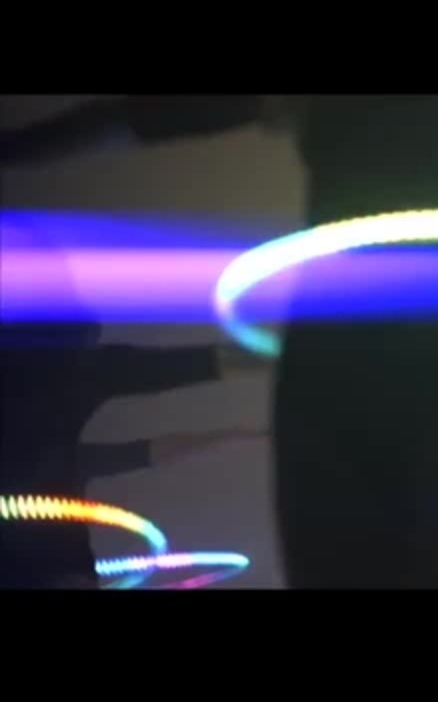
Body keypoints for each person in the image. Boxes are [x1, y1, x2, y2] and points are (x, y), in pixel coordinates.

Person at [2, 95, 438, 589]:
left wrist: (17, 147)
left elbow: (137, 118)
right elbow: (147, 115)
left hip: (419, 376)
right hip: (372, 378)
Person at [1, 168, 266, 589]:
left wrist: (237, 425)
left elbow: (153, 430)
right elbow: (150, 436)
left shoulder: (71, 380)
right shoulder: (71, 383)